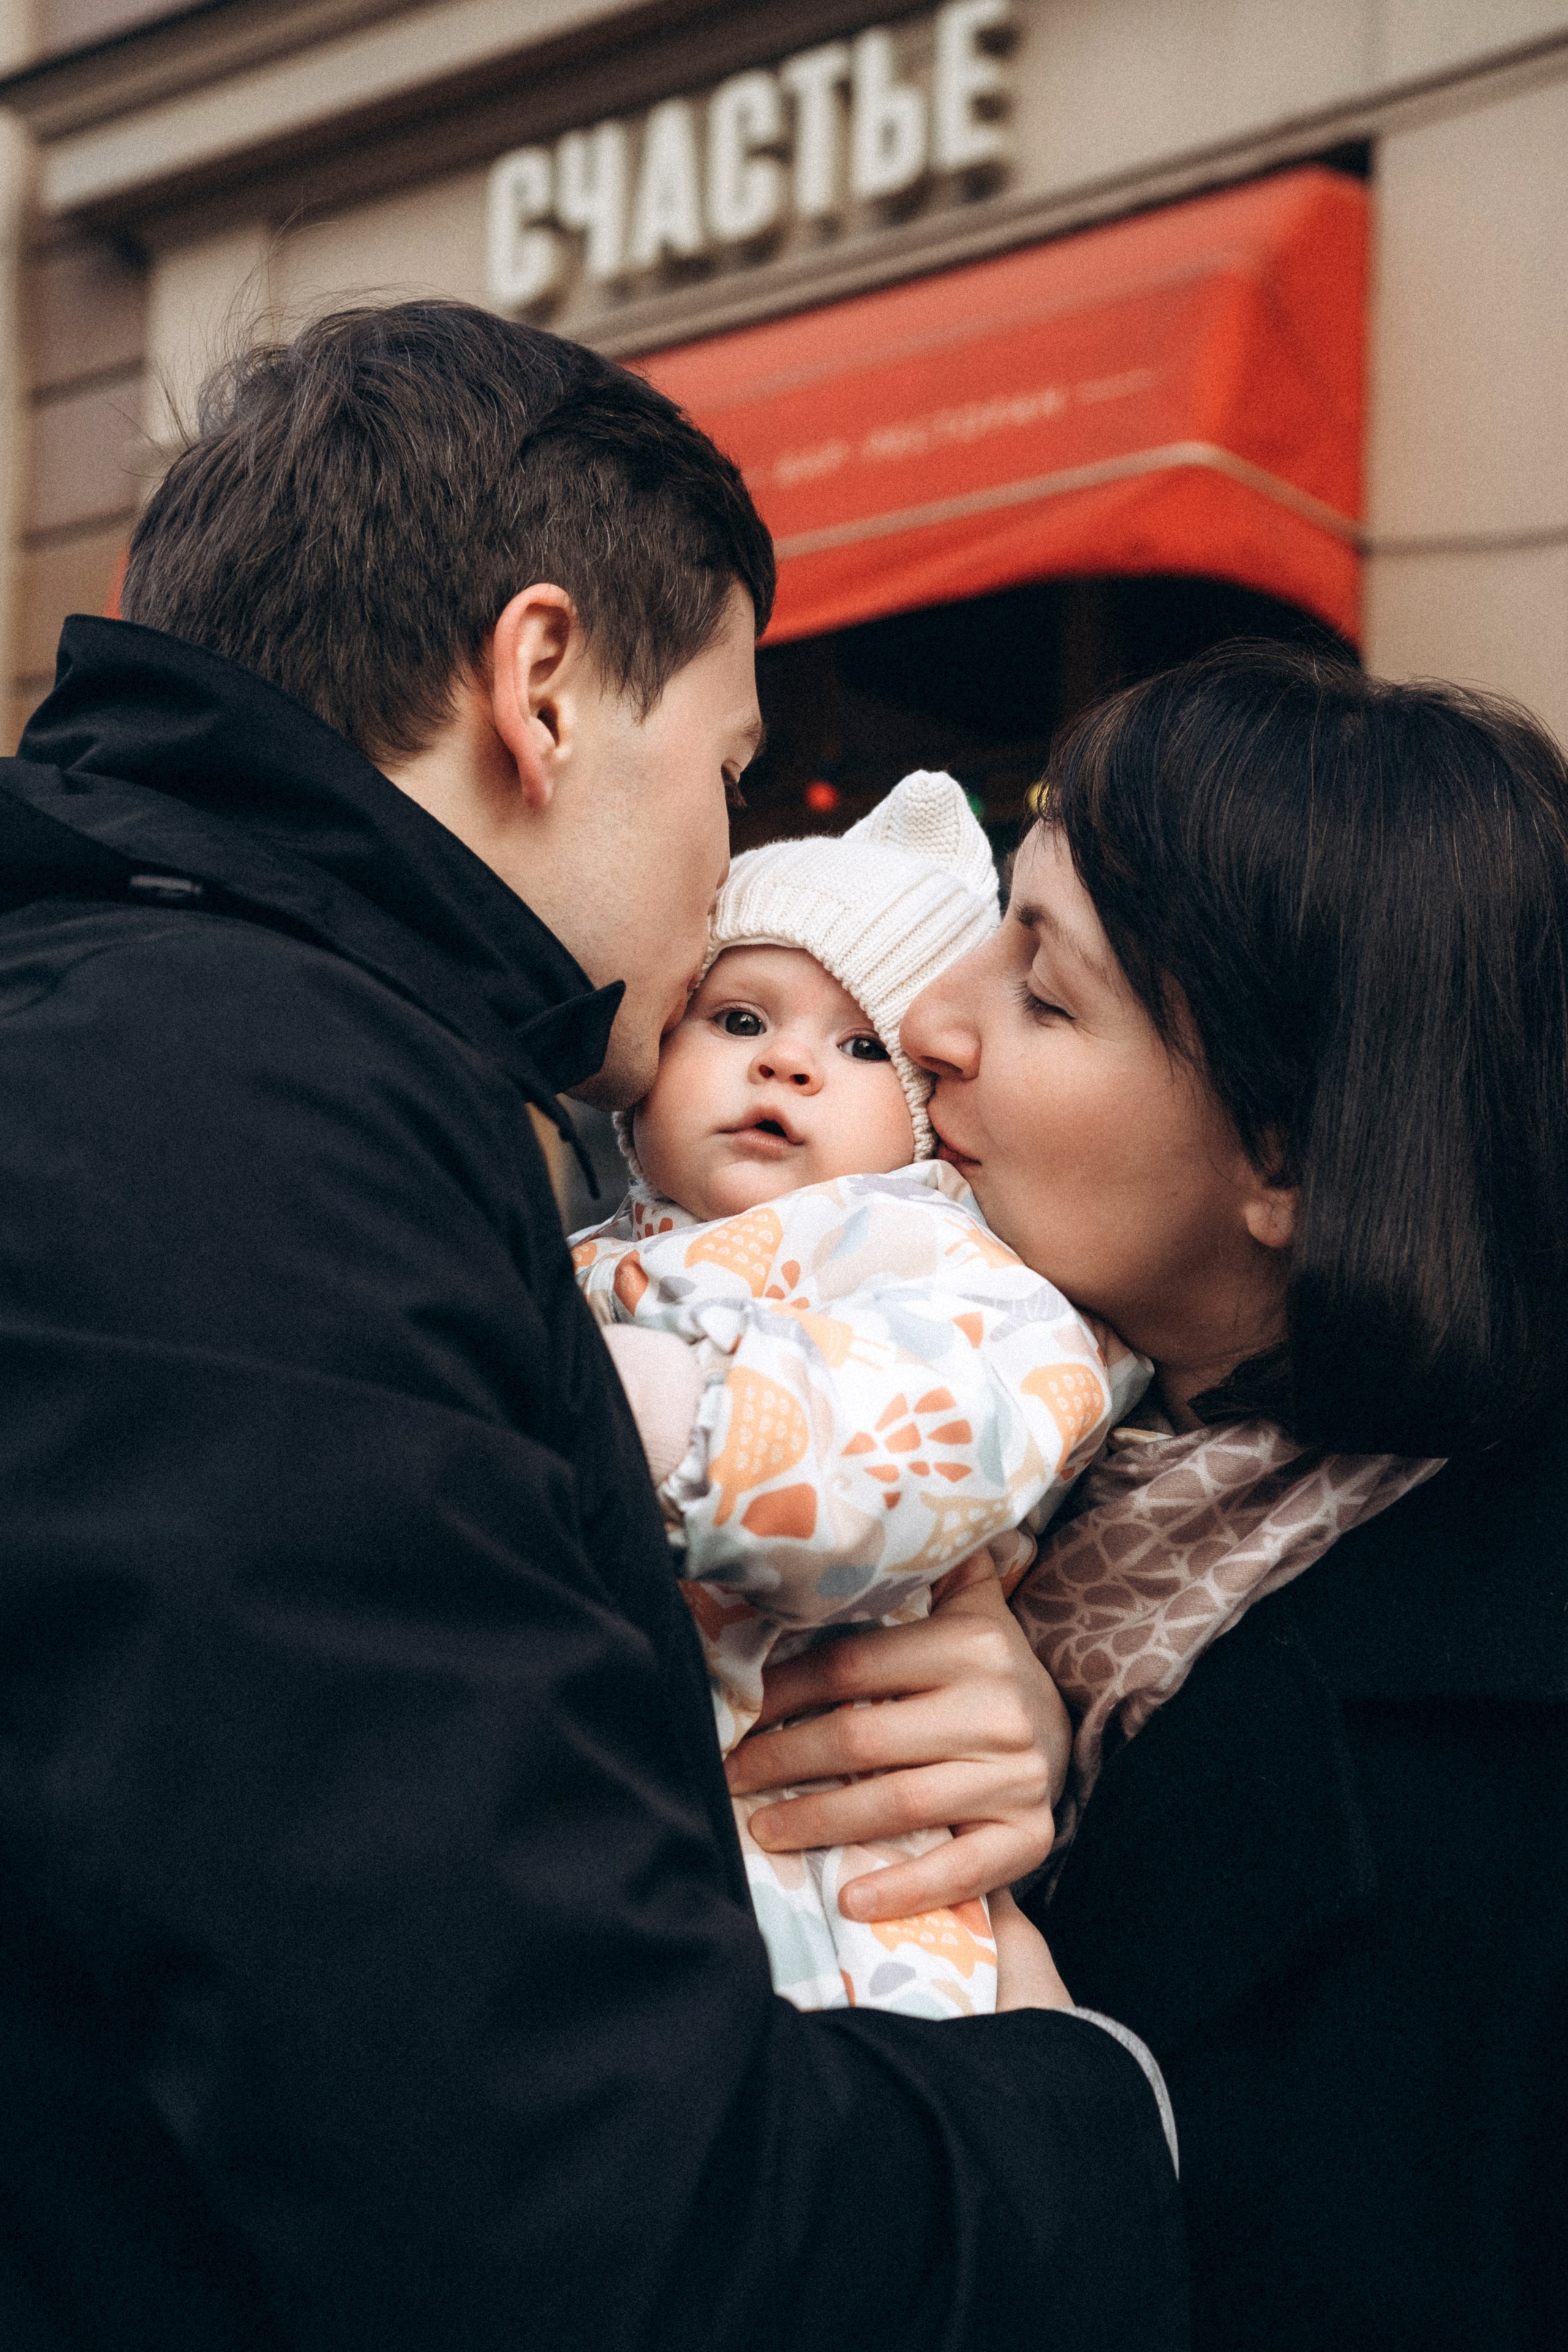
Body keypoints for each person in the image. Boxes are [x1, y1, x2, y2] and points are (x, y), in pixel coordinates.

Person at [0, 303, 1185, 2352]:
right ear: (541, 687)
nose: (726, 859)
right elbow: (560, 2197)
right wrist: (1082, 2127)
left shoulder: (185, 1044)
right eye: (727, 768)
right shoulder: (241, 1135)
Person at [778, 641, 1561, 2351]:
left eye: (1047, 995)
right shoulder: (968, 1455)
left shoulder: (1496, 1765)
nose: (929, 1025)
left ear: (1284, 1154)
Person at [573, 768, 1147, 2019]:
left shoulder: (941, 1265)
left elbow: (933, 1440)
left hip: (827, 1863)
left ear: (928, 1120)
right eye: (736, 1021)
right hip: (614, 1803)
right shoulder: (574, 1261)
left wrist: (659, 1416)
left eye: (857, 1047)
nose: (784, 1065)